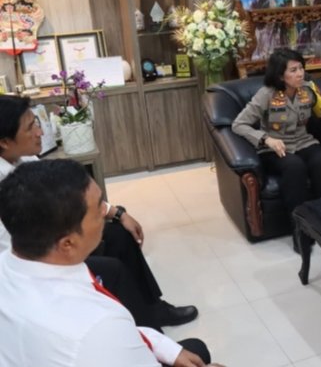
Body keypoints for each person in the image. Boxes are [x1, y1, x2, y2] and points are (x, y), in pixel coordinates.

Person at [0, 95, 197, 329]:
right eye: (31, 127)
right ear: (5, 141)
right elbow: (17, 248)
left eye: (37, 123)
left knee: (120, 235)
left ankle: (153, 308)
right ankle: (145, 335)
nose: (40, 132)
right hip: (36, 262)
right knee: (113, 270)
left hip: (54, 237)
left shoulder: (24, 158)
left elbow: (67, 195)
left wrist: (117, 213)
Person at [0, 159, 219, 367]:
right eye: (98, 211)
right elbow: (102, 337)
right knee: (198, 350)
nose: (105, 215)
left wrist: (165, 347)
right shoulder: (99, 326)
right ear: (68, 243)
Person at [232, 48, 321, 249]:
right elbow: (239, 124)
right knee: (294, 167)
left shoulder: (308, 89)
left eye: (301, 68)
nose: (300, 74)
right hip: (275, 148)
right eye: (293, 70)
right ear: (280, 75)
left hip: (303, 141)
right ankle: (300, 230)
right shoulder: (266, 94)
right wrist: (265, 139)